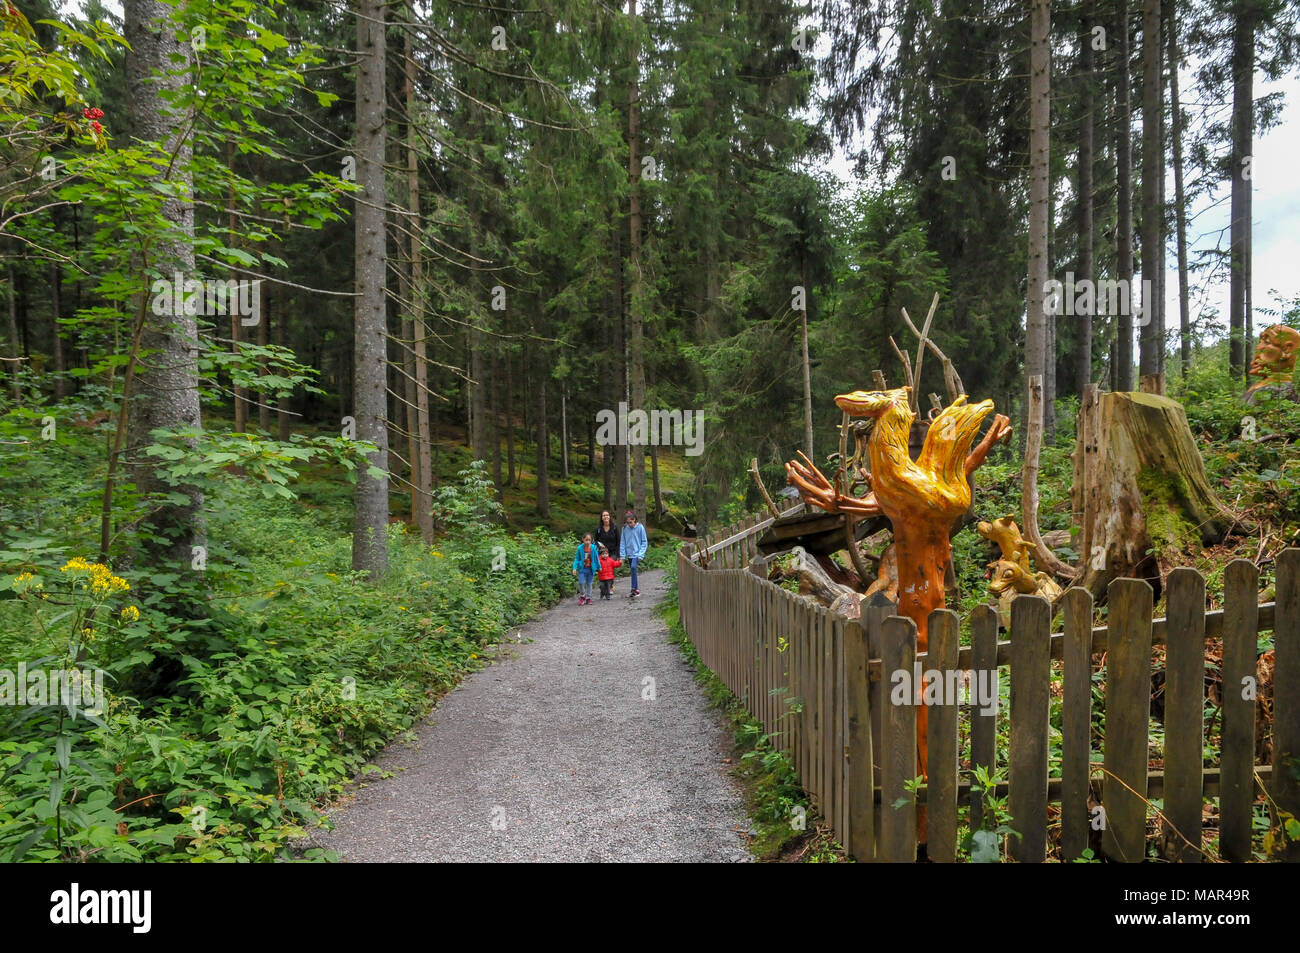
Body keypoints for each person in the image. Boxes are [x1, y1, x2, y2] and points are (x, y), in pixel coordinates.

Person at [618, 510, 648, 598]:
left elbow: (644, 542)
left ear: (635, 520)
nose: (629, 524)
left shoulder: (640, 528)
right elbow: (623, 542)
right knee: (632, 570)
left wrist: (641, 554)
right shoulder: (625, 529)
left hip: (637, 554)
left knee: (633, 567)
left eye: (630, 522)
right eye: (627, 523)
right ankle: (634, 589)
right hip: (629, 554)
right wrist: (622, 556)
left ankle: (635, 589)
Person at [594, 510, 621, 592]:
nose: (605, 517)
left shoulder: (615, 527)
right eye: (604, 515)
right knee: (602, 569)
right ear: (601, 518)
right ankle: (603, 585)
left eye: (607, 515)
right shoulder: (598, 529)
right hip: (602, 553)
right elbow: (595, 541)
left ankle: (610, 587)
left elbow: (619, 541)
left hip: (613, 552)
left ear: (609, 517)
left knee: (610, 568)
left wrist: (618, 554)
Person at [571, 533, 598, 605]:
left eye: (589, 540)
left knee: (589, 584)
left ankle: (588, 598)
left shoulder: (593, 548)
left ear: (591, 540)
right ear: (583, 539)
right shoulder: (580, 548)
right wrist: (574, 568)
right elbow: (577, 559)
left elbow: (596, 558)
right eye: (586, 540)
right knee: (581, 582)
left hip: (590, 569)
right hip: (582, 569)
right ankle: (582, 596)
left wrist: (599, 567)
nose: (588, 542)